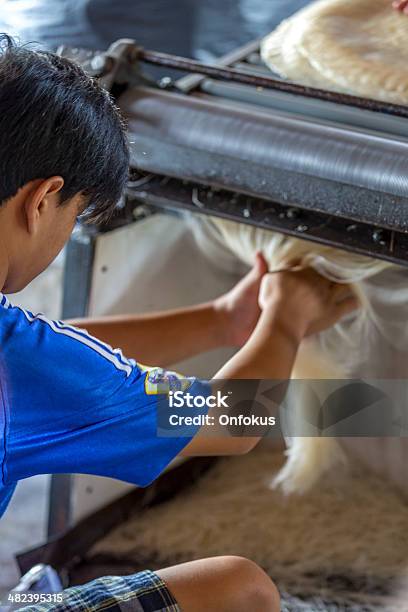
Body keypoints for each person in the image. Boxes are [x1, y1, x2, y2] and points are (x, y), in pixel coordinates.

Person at [0, 35, 358, 611]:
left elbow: (52, 357)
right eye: (75, 216)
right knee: (239, 588)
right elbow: (239, 418)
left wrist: (223, 320)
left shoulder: (22, 359)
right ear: (43, 200)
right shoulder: (18, 365)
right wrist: (287, 318)